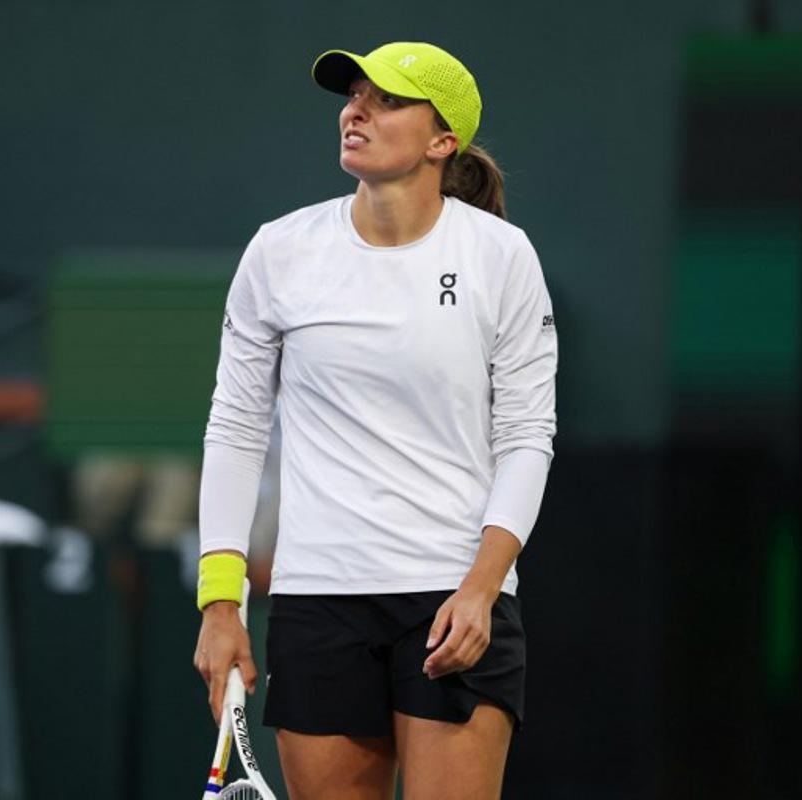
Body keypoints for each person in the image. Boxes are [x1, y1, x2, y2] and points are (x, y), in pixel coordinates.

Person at [193, 41, 558, 799]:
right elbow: (234, 428)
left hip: (453, 598)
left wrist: (483, 588)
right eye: (353, 95)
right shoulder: (280, 252)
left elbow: (526, 436)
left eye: (388, 99)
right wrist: (221, 603)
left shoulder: (502, 257)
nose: (356, 111)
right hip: (318, 598)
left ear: (441, 141)